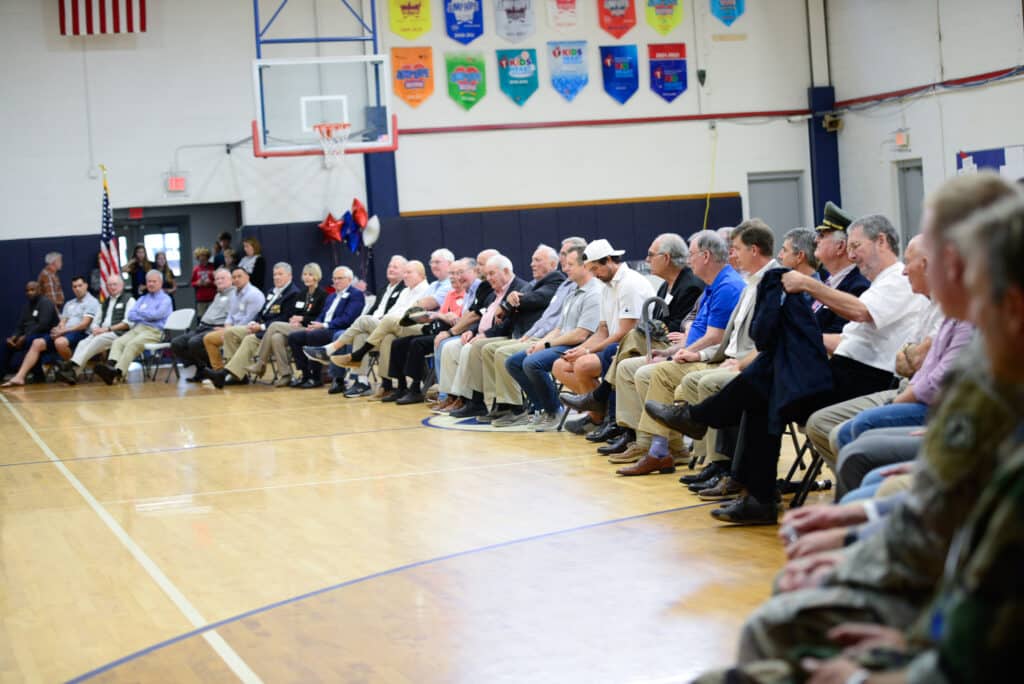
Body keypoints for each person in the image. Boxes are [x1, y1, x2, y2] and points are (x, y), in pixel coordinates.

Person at [205, 263, 299, 388]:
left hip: (274, 332)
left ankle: (225, 373)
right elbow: (262, 312)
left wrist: (261, 327)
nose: (276, 277)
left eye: (280, 274)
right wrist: (253, 323)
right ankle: (237, 375)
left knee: (250, 339)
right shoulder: (272, 291)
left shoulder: (293, 293)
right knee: (230, 332)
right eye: (275, 274)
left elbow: (284, 319)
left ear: (289, 276)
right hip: (260, 328)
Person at [237, 262, 328, 387]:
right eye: (305, 274)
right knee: (276, 338)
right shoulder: (302, 294)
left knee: (274, 325)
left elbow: (319, 317)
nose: (307, 277)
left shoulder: (322, 295)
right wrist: (293, 319)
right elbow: (294, 312)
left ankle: (260, 363)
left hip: (310, 328)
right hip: (296, 327)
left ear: (317, 276)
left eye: (310, 274)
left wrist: (302, 318)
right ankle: (285, 375)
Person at [2, 276, 100, 387]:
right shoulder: (69, 303)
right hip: (65, 332)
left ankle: (73, 370)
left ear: (86, 285)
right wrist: (58, 329)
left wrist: (63, 330)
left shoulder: (92, 302)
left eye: (80, 286)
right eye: (74, 286)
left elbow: (84, 324)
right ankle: (20, 377)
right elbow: (63, 321)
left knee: (60, 342)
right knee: (37, 342)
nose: (77, 288)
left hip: (80, 333)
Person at [283, 267, 364, 388]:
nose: (336, 281)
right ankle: (305, 375)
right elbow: (322, 315)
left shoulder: (355, 294)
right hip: (323, 328)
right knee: (294, 337)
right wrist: (314, 324)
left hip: (338, 329)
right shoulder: (331, 296)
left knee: (313, 335)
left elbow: (348, 318)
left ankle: (316, 377)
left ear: (349, 280)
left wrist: (324, 325)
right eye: (334, 278)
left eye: (340, 278)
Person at [172, 268, 256, 378]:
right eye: (217, 279)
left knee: (194, 343)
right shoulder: (218, 295)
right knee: (176, 343)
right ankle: (202, 367)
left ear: (231, 280)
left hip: (217, 327)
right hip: (202, 327)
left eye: (223, 278)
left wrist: (227, 328)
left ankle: (208, 370)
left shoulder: (234, 295)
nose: (219, 281)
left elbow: (235, 317)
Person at [94, 271, 174, 385]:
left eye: (154, 281)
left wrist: (140, 313)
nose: (151, 284)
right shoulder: (142, 298)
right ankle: (110, 368)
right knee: (118, 342)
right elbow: (131, 315)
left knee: (132, 344)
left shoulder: (165, 299)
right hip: (138, 329)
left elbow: (156, 316)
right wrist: (146, 314)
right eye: (149, 281)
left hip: (155, 332)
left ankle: (117, 373)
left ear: (160, 283)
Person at [57, 274, 136, 384]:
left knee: (98, 339)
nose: (112, 287)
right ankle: (73, 374)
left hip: (119, 333)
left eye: (115, 284)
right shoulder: (105, 302)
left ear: (122, 285)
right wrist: (95, 329)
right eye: (109, 285)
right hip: (103, 332)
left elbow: (128, 323)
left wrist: (107, 329)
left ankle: (72, 365)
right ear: (106, 287)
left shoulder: (129, 300)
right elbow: (96, 321)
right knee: (83, 342)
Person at [0, 282, 60, 381]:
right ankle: (2, 373)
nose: (29, 292)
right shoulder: (27, 306)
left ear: (39, 290)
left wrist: (25, 337)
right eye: (27, 290)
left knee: (30, 341)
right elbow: (20, 325)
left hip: (47, 336)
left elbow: (43, 325)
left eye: (32, 290)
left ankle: (38, 375)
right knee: (5, 344)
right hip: (29, 335)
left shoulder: (46, 303)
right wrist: (14, 336)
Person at [191, 247, 216, 317]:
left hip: (212, 298)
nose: (202, 260)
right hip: (201, 299)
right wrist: (197, 283)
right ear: (198, 258)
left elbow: (218, 282)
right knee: (201, 318)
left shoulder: (213, 267)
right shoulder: (196, 269)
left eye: (204, 258)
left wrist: (210, 282)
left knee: (212, 318)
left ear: (207, 258)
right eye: (200, 259)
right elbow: (192, 283)